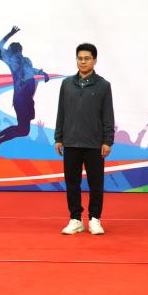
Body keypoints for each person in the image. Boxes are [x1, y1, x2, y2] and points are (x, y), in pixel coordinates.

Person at [54, 43, 114, 236]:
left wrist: (107, 141)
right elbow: (61, 112)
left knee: (96, 184)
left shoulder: (103, 85)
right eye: (80, 58)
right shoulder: (67, 84)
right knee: (72, 183)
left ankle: (95, 219)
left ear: (94, 60)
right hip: (71, 142)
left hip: (94, 144)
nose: (83, 62)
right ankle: (75, 219)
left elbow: (108, 116)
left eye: (87, 58)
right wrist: (58, 137)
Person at [0, 26, 49, 156]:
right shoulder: (10, 60)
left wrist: (43, 73)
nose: (18, 53)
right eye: (16, 51)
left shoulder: (26, 60)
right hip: (20, 98)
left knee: (23, 130)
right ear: (12, 52)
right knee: (23, 129)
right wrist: (10, 33)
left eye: (19, 51)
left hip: (28, 97)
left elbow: (31, 71)